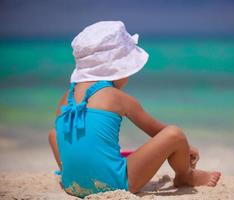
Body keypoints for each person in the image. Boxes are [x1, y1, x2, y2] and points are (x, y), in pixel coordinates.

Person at [48, 21, 221, 198]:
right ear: (118, 67)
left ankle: (71, 173)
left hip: (73, 185)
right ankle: (186, 176)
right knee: (175, 134)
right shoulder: (116, 97)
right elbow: (158, 132)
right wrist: (186, 147)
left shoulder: (66, 98)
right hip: (115, 184)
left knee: (55, 133)